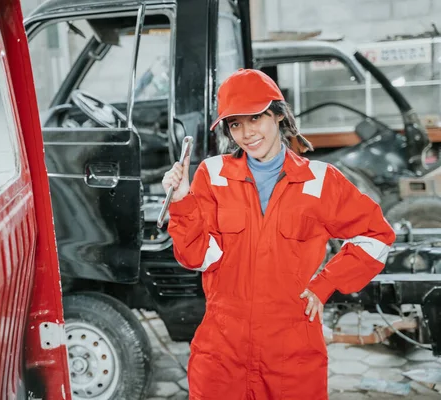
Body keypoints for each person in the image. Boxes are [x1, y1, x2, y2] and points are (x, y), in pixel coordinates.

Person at [161, 69, 396, 400]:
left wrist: (326, 282)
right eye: (235, 124)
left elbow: (376, 235)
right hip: (223, 349)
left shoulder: (319, 180)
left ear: (278, 116)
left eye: (255, 118)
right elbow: (196, 257)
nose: (246, 132)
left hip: (292, 351)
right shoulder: (212, 175)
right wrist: (183, 199)